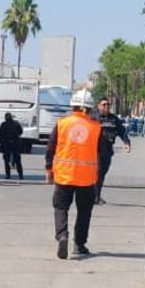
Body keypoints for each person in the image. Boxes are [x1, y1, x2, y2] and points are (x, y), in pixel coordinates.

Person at [45, 90, 101, 259]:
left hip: (64, 175)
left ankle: (62, 235)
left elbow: (50, 148)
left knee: (61, 207)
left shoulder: (62, 124)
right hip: (86, 178)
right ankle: (79, 244)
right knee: (84, 211)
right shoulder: (96, 128)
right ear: (90, 109)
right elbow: (102, 152)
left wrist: (49, 170)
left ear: (73, 106)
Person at [94, 98, 131, 205]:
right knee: (97, 173)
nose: (106, 106)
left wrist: (127, 143)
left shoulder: (113, 119)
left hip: (108, 151)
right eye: (104, 104)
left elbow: (121, 131)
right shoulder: (94, 118)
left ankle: (96, 195)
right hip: (96, 151)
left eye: (108, 105)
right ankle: (95, 197)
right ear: (99, 106)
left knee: (102, 174)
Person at [0, 112, 24, 180]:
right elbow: (20, 132)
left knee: (6, 160)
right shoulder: (16, 123)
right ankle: (20, 175)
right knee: (18, 160)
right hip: (15, 143)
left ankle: (8, 175)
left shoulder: (3, 124)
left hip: (6, 144)